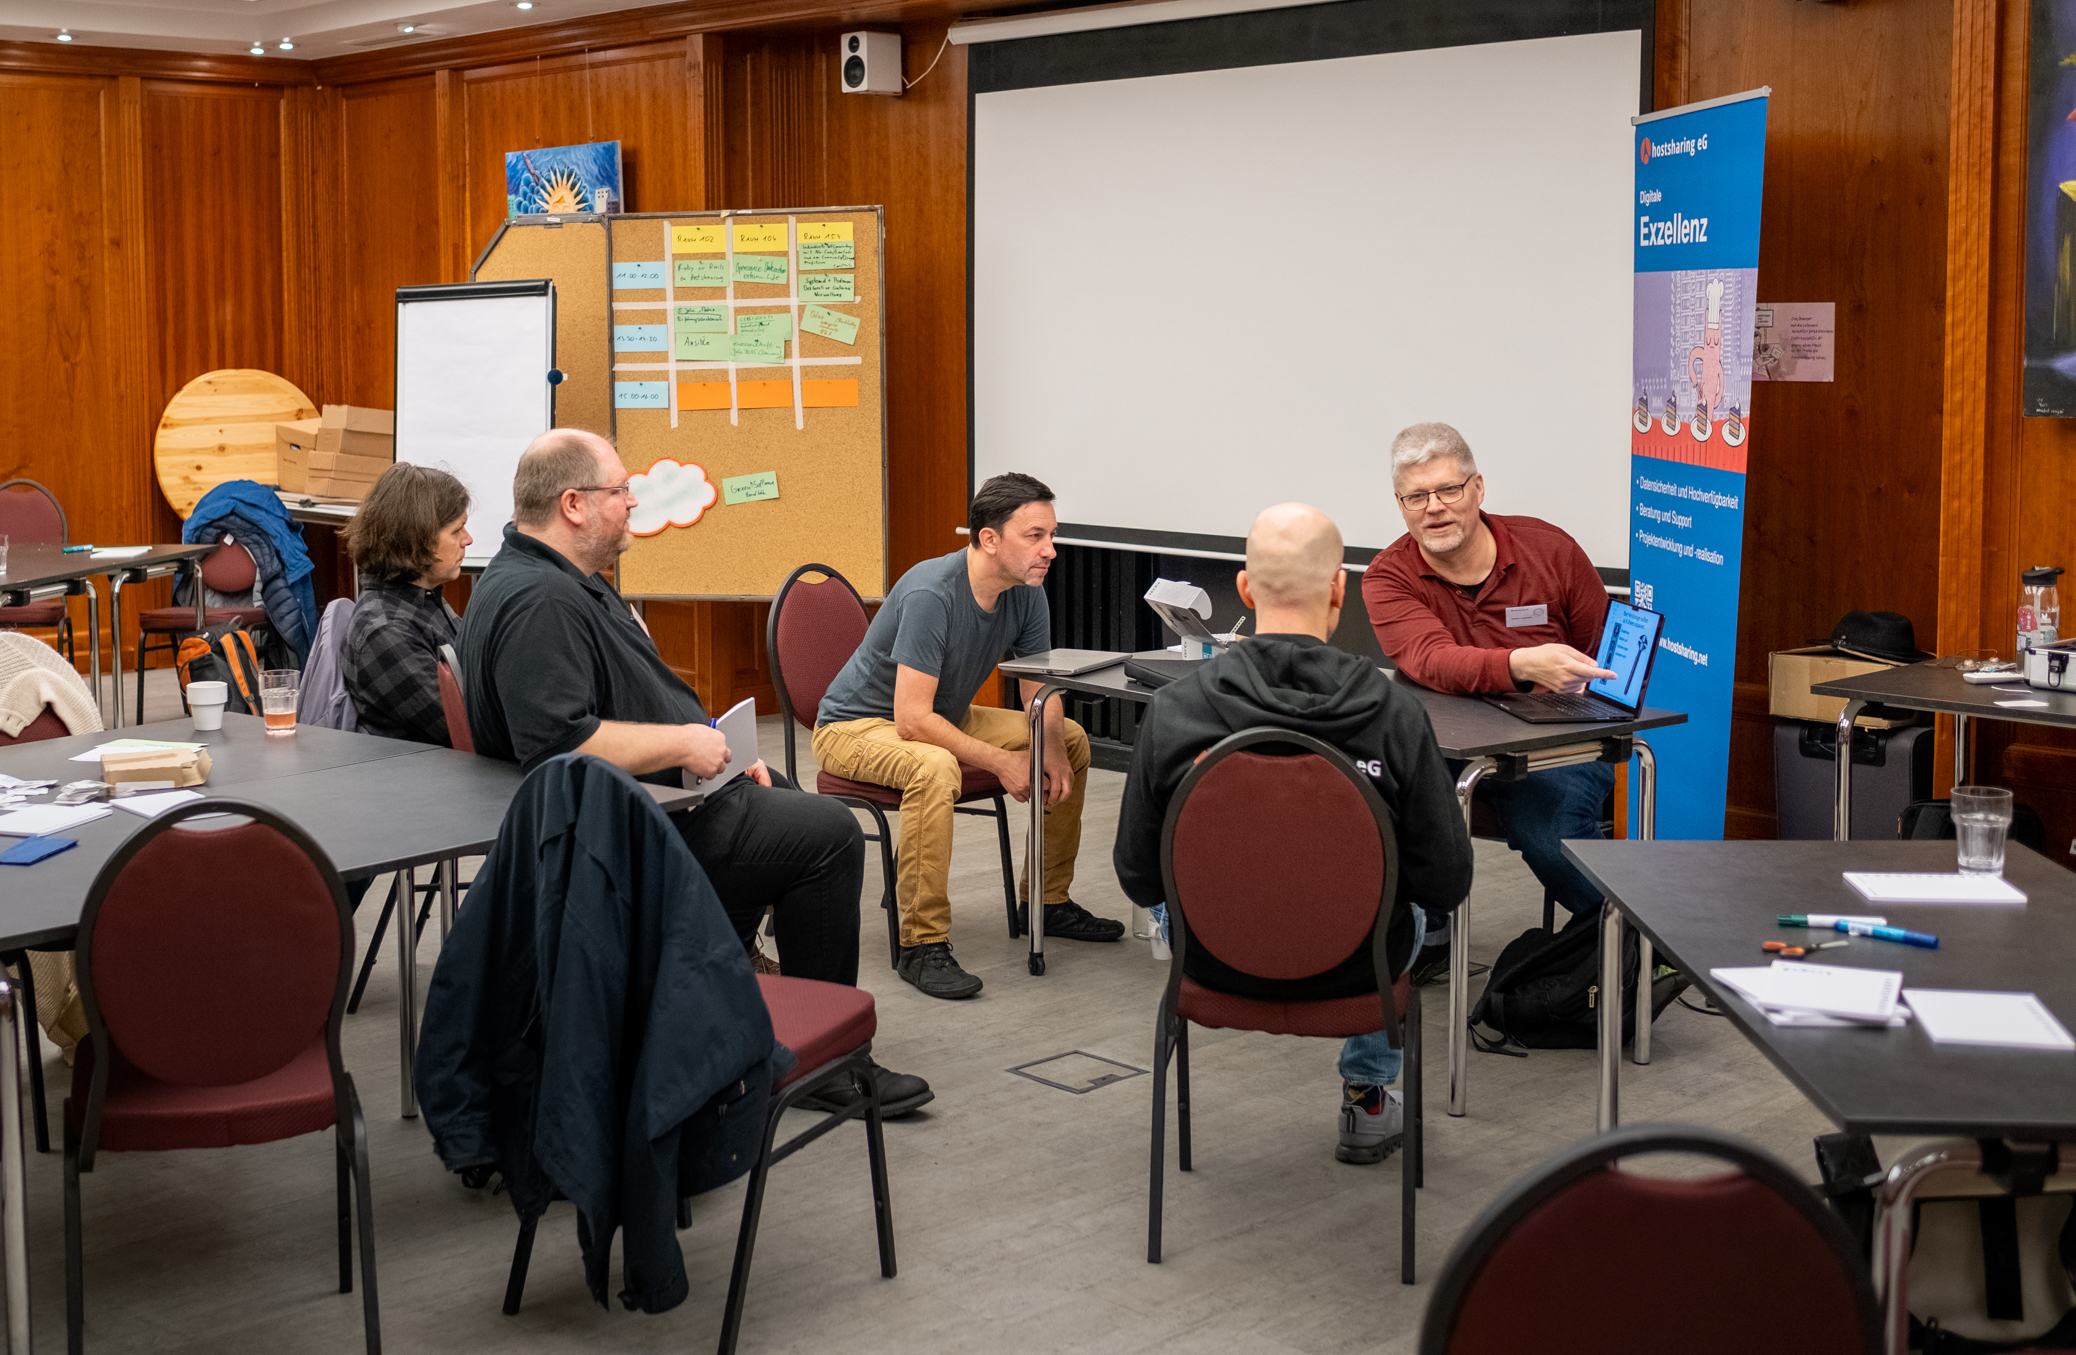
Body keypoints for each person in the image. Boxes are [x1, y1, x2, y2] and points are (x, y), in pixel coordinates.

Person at [457, 428, 930, 1116]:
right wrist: (687, 743)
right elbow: (560, 744)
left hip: (652, 801)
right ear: (574, 504)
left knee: (790, 801)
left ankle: (725, 1018)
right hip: (619, 835)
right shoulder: (541, 602)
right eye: (620, 490)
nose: (631, 503)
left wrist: (727, 752)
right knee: (827, 833)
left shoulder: (556, 581)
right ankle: (821, 1066)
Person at [1113, 503, 1472, 1165]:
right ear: (1341, 589)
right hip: (1358, 970)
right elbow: (1446, 880)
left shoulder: (1174, 709)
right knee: (1409, 902)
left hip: (1209, 961)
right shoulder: (1395, 713)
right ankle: (1367, 1099)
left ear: (1245, 590)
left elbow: (1136, 871)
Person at [811, 471, 1120, 1003]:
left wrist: (1049, 751)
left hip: (941, 715)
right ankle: (921, 944)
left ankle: (1046, 901)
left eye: (1052, 535)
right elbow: (910, 721)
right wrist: (1002, 764)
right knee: (933, 766)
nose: (1050, 550)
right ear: (989, 539)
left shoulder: (1026, 593)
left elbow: (1036, 694)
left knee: (1066, 736)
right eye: (1035, 536)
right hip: (855, 726)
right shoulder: (934, 592)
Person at [1360, 422, 1616, 949]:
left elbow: (1601, 653)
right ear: (1401, 504)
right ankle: (1421, 934)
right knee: (1370, 801)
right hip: (1446, 749)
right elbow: (1431, 659)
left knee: (1549, 835)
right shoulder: (1388, 577)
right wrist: (1521, 664)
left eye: (1448, 490)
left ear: (1477, 488)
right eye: (1417, 496)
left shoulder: (1551, 550)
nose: (1434, 507)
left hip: (1556, 742)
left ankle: (1624, 939)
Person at [342, 462, 473, 746]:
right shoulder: (386, 631)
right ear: (419, 538)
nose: (468, 540)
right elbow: (466, 730)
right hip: (434, 784)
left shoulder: (424, 598)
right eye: (457, 530)